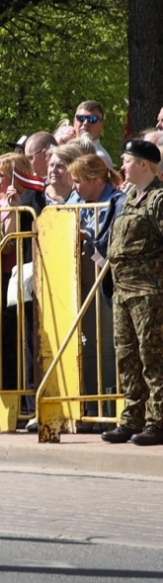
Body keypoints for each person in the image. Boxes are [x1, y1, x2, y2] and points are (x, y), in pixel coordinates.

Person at [100, 140, 163, 444]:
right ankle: (132, 418)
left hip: (150, 292)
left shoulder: (157, 200)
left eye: (126, 161)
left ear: (142, 164)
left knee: (153, 356)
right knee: (126, 356)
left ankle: (158, 419)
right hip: (124, 291)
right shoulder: (127, 199)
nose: (121, 167)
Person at [72, 101, 114, 166]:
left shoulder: (99, 157)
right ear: (74, 122)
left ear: (102, 125)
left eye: (92, 119)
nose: (85, 123)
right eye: (81, 118)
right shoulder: (67, 150)